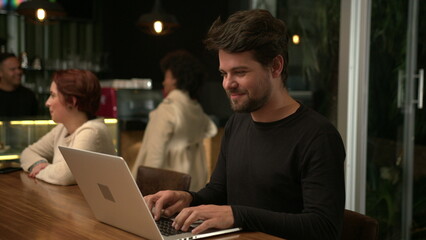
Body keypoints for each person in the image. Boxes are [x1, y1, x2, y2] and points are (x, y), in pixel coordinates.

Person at [144, 9, 346, 240]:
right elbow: (218, 193)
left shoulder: (318, 136)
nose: (228, 84)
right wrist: (188, 198)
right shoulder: (237, 123)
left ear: (276, 67)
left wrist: (239, 215)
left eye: (240, 72)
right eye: (223, 73)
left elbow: (324, 228)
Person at [131, 50, 217, 191]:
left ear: (175, 79)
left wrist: (145, 190)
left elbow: (154, 155)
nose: (164, 82)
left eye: (166, 76)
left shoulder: (168, 109)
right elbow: (211, 129)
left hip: (166, 187)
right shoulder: (196, 108)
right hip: (193, 182)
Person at [20, 69, 116, 185]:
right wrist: (38, 164)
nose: (47, 102)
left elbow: (65, 175)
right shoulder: (62, 129)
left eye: (53, 95)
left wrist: (40, 171)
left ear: (72, 101)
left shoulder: (92, 131)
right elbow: (27, 153)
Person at [0, 52, 38, 118]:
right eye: (12, 69)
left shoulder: (28, 96)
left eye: (19, 68)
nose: (18, 72)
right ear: (0, 72)